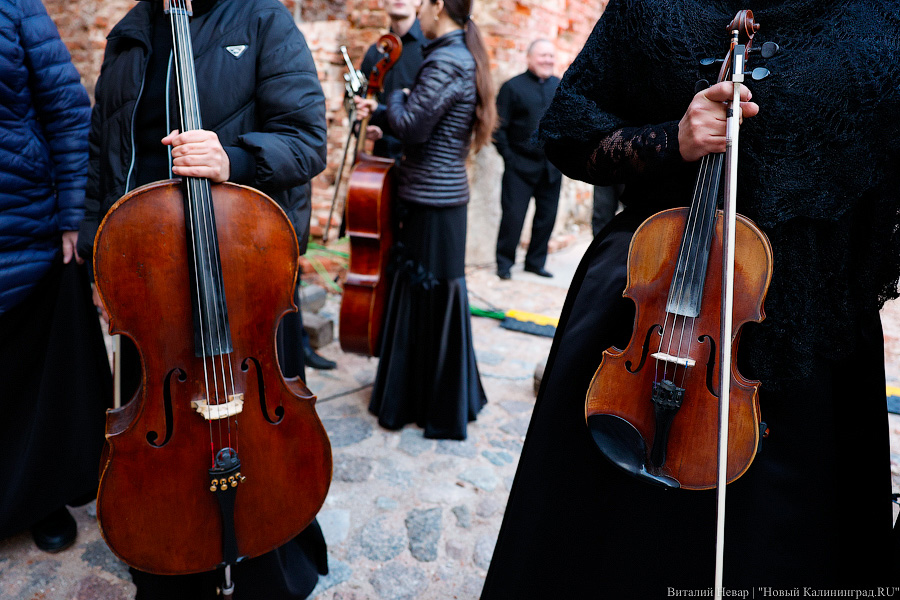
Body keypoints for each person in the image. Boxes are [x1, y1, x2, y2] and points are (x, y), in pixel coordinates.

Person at [482, 1, 900, 597]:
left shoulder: (878, 15)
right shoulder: (650, 6)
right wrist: (669, 139)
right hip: (648, 313)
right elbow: (569, 129)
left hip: (807, 336)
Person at [76, 0, 329, 597]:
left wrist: (233, 158)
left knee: (256, 425)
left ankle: (267, 551)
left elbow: (308, 141)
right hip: (148, 283)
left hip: (244, 280)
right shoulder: (129, 35)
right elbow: (102, 161)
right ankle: (168, 548)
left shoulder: (262, 19)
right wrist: (97, 258)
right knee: (159, 424)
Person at [0, 0, 112, 555]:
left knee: (34, 385)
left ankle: (41, 499)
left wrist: (72, 215)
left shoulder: (17, 9)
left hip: (24, 231)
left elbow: (69, 112)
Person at [356, 0, 495, 440]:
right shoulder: (455, 54)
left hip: (433, 201)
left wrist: (395, 97)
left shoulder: (447, 59)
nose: (419, 12)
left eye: (424, 4)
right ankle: (424, 399)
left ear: (438, 6)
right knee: (428, 299)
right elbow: (427, 126)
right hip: (435, 197)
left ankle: (433, 407)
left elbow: (414, 126)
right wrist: (385, 118)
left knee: (430, 298)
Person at [493, 39, 561, 280]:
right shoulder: (512, 87)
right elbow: (498, 128)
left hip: (551, 167)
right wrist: (510, 159)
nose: (547, 60)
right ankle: (504, 263)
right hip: (519, 167)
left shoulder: (560, 86)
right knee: (513, 218)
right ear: (529, 58)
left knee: (546, 219)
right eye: (542, 55)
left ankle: (535, 262)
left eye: (551, 56)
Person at [357, 0, 426, 161]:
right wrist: (361, 127)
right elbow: (360, 101)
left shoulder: (429, 50)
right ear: (382, 3)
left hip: (417, 161)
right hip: (378, 164)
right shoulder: (374, 53)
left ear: (419, 2)